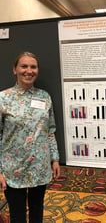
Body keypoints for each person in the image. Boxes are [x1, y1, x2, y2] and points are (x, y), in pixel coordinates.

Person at [0, 52, 60, 223]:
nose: (29, 71)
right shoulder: (3, 98)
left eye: (33, 67)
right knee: (17, 215)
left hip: (39, 166)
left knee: (37, 210)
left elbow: (50, 130)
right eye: (24, 66)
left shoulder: (44, 97)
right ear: (15, 69)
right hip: (13, 167)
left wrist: (55, 159)